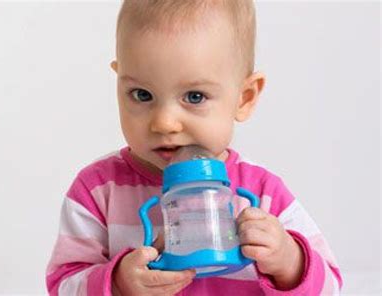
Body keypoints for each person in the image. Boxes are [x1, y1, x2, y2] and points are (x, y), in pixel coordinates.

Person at [46, 1, 342, 295]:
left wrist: (290, 262)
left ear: (244, 97)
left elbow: (331, 287)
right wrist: (118, 283)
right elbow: (63, 286)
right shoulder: (98, 190)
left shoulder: (263, 194)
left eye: (195, 96)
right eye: (142, 94)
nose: (164, 123)